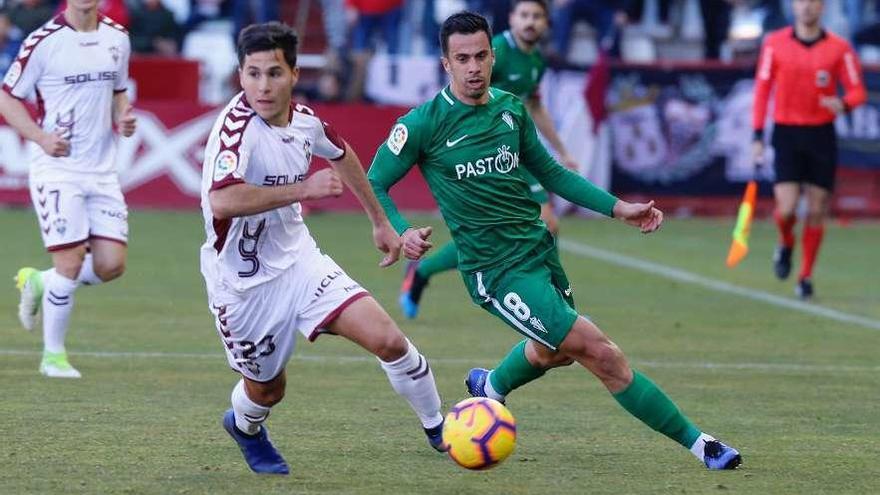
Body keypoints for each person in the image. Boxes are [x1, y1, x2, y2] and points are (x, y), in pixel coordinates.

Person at [368, 11, 742, 470]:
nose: (474, 67)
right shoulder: (424, 124)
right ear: (445, 64)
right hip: (496, 271)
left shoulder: (510, 109)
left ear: (493, 55)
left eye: (482, 56)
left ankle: (492, 387)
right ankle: (701, 444)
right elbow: (375, 182)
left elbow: (550, 174)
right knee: (601, 354)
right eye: (462, 58)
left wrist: (617, 208)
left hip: (539, 252)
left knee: (553, 353)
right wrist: (400, 230)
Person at [200, 22, 445, 475]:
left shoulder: (305, 121)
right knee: (268, 391)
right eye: (252, 74)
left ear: (294, 73)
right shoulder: (236, 131)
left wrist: (380, 221)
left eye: (274, 73)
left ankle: (442, 431)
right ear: (239, 76)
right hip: (243, 287)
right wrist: (303, 188)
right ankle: (245, 427)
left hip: (300, 263)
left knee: (389, 341)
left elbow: (341, 152)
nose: (262, 86)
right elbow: (223, 199)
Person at [398, 0, 579, 320]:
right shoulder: (495, 50)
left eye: (537, 16)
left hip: (513, 151)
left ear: (547, 23)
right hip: (492, 154)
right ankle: (560, 310)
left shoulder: (535, 59)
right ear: (511, 18)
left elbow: (535, 107)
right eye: (524, 15)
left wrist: (563, 151)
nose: (530, 22)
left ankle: (424, 271)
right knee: (539, 224)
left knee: (522, 228)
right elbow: (468, 98)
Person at [3, 0, 135, 378]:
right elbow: (7, 95)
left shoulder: (118, 38)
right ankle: (53, 357)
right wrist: (39, 137)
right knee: (71, 261)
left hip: (102, 170)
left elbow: (118, 91)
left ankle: (41, 281)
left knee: (111, 265)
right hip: (57, 168)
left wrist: (123, 117)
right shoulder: (43, 41)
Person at [752, 0, 866, 299]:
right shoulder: (774, 44)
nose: (807, 7)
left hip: (820, 135)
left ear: (823, 8)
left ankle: (805, 276)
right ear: (793, 6)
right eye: (801, 1)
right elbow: (762, 90)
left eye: (813, 2)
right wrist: (757, 134)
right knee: (787, 209)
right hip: (786, 133)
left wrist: (843, 103)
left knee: (816, 210)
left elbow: (857, 90)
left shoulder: (839, 48)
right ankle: (786, 241)